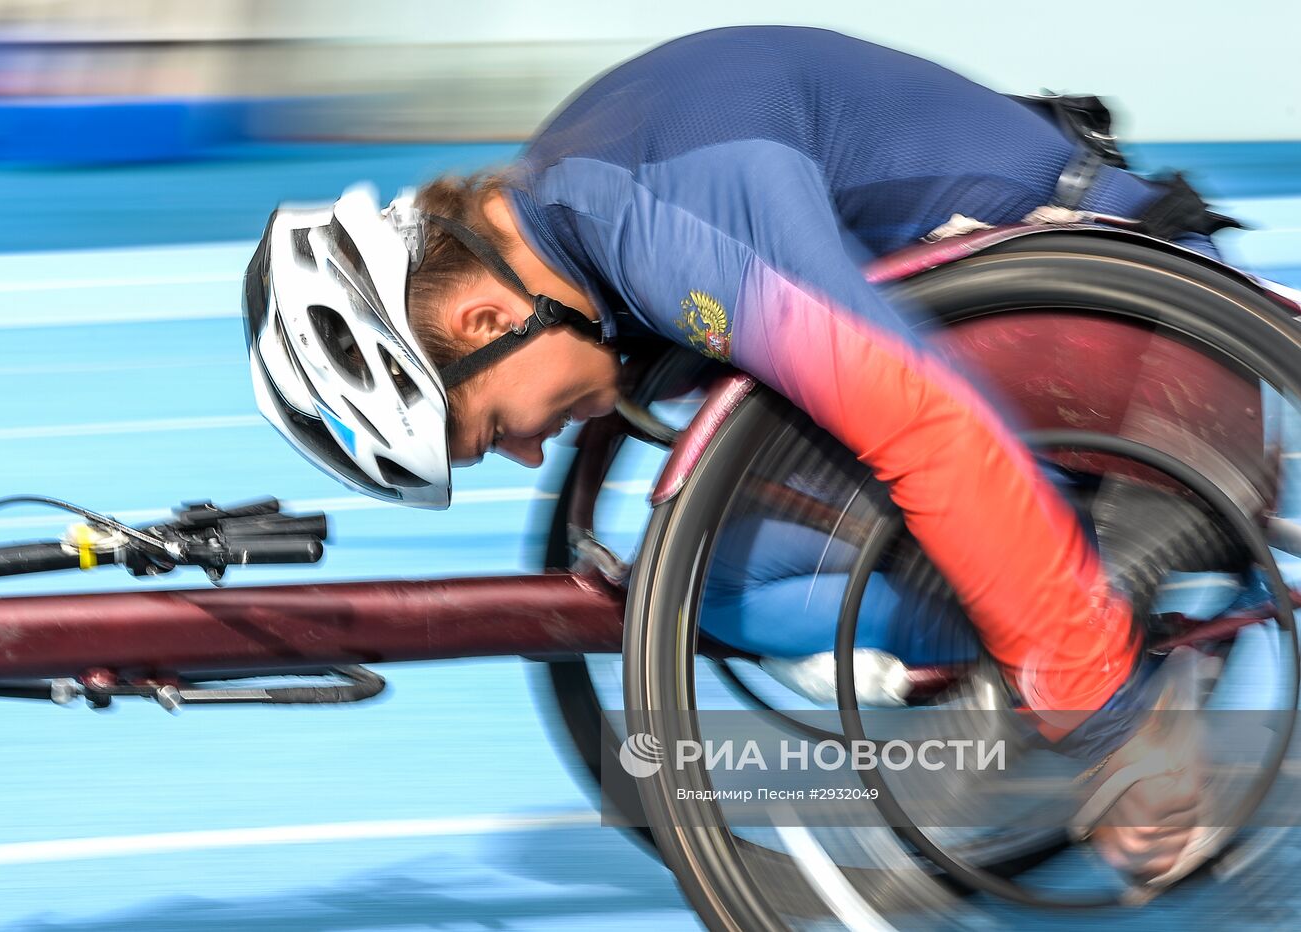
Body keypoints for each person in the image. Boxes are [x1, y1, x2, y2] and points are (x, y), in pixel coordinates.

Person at [244, 26, 1241, 881]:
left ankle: (1099, 655)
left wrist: (1108, 725)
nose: (520, 451)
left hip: (1148, 358)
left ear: (485, 316)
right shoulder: (580, 194)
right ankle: (1056, 622)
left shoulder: (662, 218)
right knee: (726, 574)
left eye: (486, 427)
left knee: (744, 570)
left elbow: (926, 427)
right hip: (1094, 328)